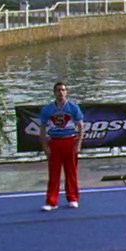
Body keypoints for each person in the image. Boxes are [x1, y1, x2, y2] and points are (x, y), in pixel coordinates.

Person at [40, 81, 85, 212]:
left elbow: (81, 126)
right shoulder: (47, 110)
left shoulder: (73, 107)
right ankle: (52, 201)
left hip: (69, 141)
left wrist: (78, 144)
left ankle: (73, 198)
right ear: (54, 93)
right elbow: (42, 129)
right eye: (58, 90)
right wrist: (45, 146)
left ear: (66, 92)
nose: (61, 93)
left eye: (63, 90)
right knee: (54, 173)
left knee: (71, 172)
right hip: (54, 142)